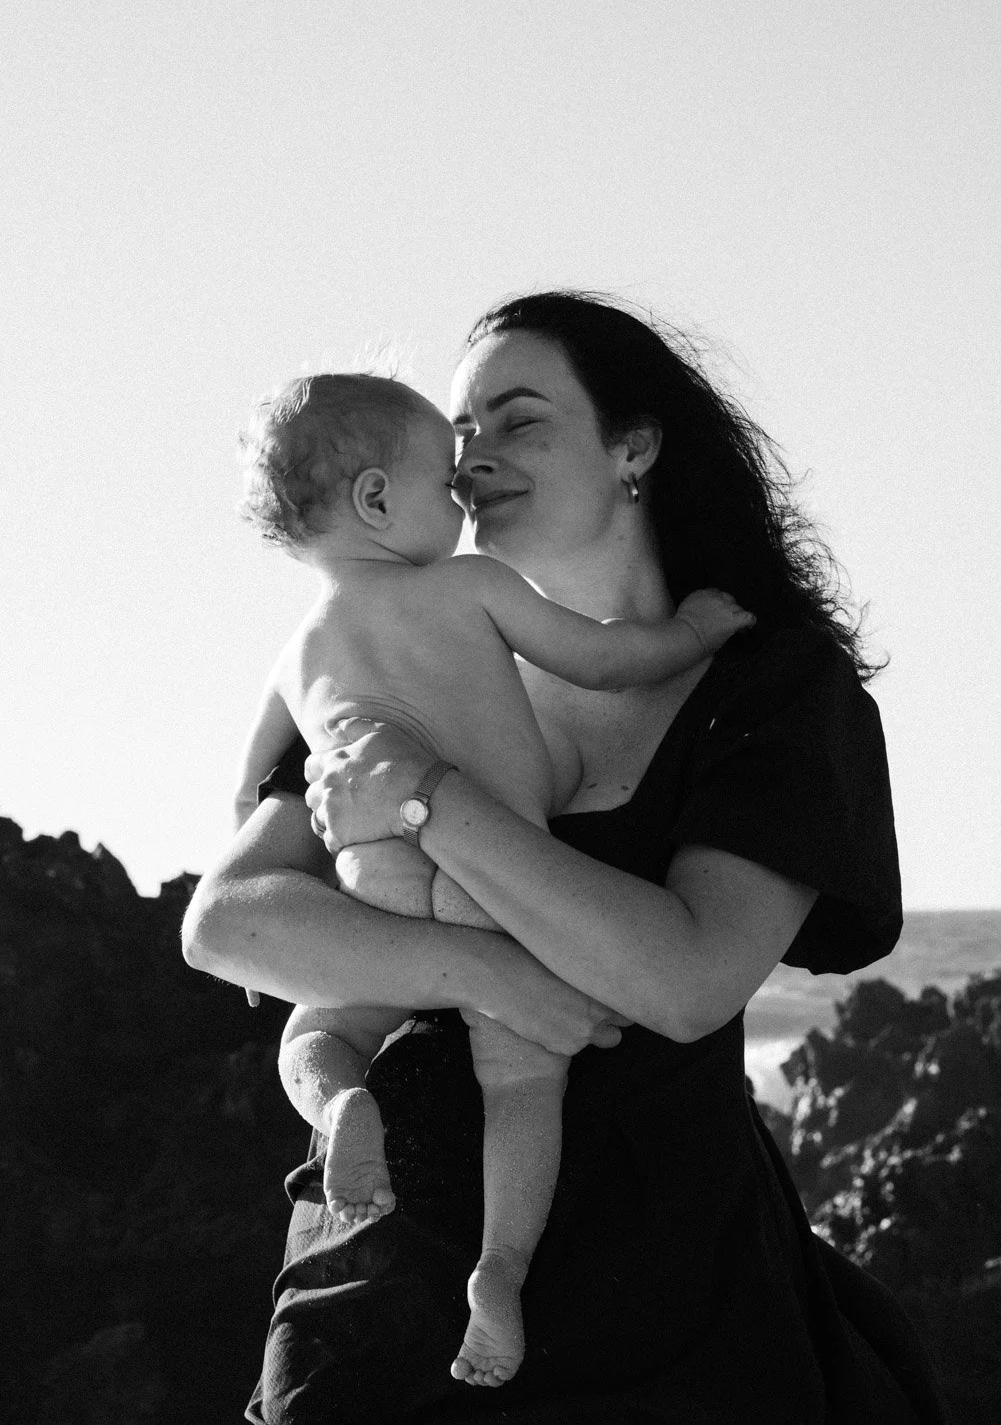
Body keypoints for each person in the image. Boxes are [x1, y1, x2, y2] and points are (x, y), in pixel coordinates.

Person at [183, 291, 950, 1423]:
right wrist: (493, 975)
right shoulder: (390, 664)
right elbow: (230, 925)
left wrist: (431, 802)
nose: (471, 458)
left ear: (632, 447)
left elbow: (684, 978)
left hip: (666, 1297)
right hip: (375, 1287)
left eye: (519, 420)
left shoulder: (771, 688)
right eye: (459, 431)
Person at [231, 370, 753, 1386]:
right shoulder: (466, 586)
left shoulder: (295, 654)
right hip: (486, 874)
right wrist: (693, 632)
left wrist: (280, 946)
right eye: (445, 478)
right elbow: (603, 661)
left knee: (316, 1033)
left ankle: (337, 1106)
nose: (464, 494)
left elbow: (251, 785)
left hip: (372, 876)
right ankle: (502, 1270)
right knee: (519, 1082)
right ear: (377, 499)